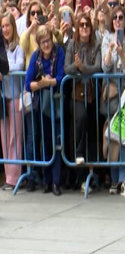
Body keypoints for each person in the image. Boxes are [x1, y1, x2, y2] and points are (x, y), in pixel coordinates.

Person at [25, 26, 65, 196]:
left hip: (57, 102)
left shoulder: (59, 52)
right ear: (39, 44)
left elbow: (61, 77)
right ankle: (47, 181)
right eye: (43, 42)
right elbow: (28, 84)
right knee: (46, 141)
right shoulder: (36, 57)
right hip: (41, 105)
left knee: (57, 142)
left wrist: (49, 82)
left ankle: (56, 182)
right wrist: (42, 84)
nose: (46, 44)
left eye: (48, 40)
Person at [64, 12, 102, 191]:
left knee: (93, 132)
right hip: (76, 94)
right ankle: (79, 165)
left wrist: (81, 68)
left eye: (87, 24)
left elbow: (98, 67)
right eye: (81, 25)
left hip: (93, 94)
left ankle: (92, 176)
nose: (85, 27)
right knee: (81, 119)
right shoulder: (72, 44)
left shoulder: (96, 44)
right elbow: (67, 68)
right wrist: (77, 67)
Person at [101, 5, 125, 197]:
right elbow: (105, 67)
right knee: (112, 136)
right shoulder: (107, 38)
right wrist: (110, 50)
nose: (117, 20)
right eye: (115, 17)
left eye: (121, 17)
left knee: (124, 136)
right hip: (111, 94)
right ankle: (114, 179)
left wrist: (121, 52)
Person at [0, 12, 18, 190]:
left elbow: (19, 65)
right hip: (3, 98)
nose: (5, 29)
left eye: (8, 25)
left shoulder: (17, 47)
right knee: (5, 138)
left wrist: (4, 70)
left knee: (14, 138)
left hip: (16, 96)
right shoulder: (1, 47)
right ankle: (8, 176)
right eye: (3, 26)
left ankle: (15, 177)